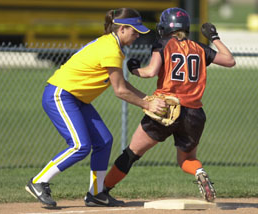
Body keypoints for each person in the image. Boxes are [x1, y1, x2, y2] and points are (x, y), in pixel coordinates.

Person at [25, 8, 167, 208]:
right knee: (79, 145)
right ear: (123, 29)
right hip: (61, 95)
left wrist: (149, 98)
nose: (137, 36)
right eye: (135, 31)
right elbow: (119, 91)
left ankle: (97, 194)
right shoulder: (111, 49)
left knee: (103, 141)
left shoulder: (111, 45)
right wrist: (147, 104)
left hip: (77, 99)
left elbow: (123, 85)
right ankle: (39, 181)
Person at [102, 7, 236, 203]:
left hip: (164, 109)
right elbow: (230, 61)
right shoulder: (199, 47)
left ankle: (103, 189)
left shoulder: (163, 44)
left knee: (132, 153)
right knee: (186, 160)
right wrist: (214, 38)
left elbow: (150, 72)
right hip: (194, 113)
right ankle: (199, 171)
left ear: (165, 27)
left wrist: (133, 69)